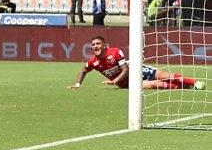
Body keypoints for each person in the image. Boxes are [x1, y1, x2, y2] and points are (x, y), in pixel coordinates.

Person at [68, 36, 205, 90]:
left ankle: (194, 82)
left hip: (134, 70)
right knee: (155, 84)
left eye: (98, 43)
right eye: (93, 44)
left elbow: (125, 69)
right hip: (126, 83)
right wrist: (77, 84)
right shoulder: (93, 62)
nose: (95, 46)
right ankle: (183, 87)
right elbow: (83, 71)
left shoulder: (115, 52)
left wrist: (114, 80)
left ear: (104, 45)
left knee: (164, 76)